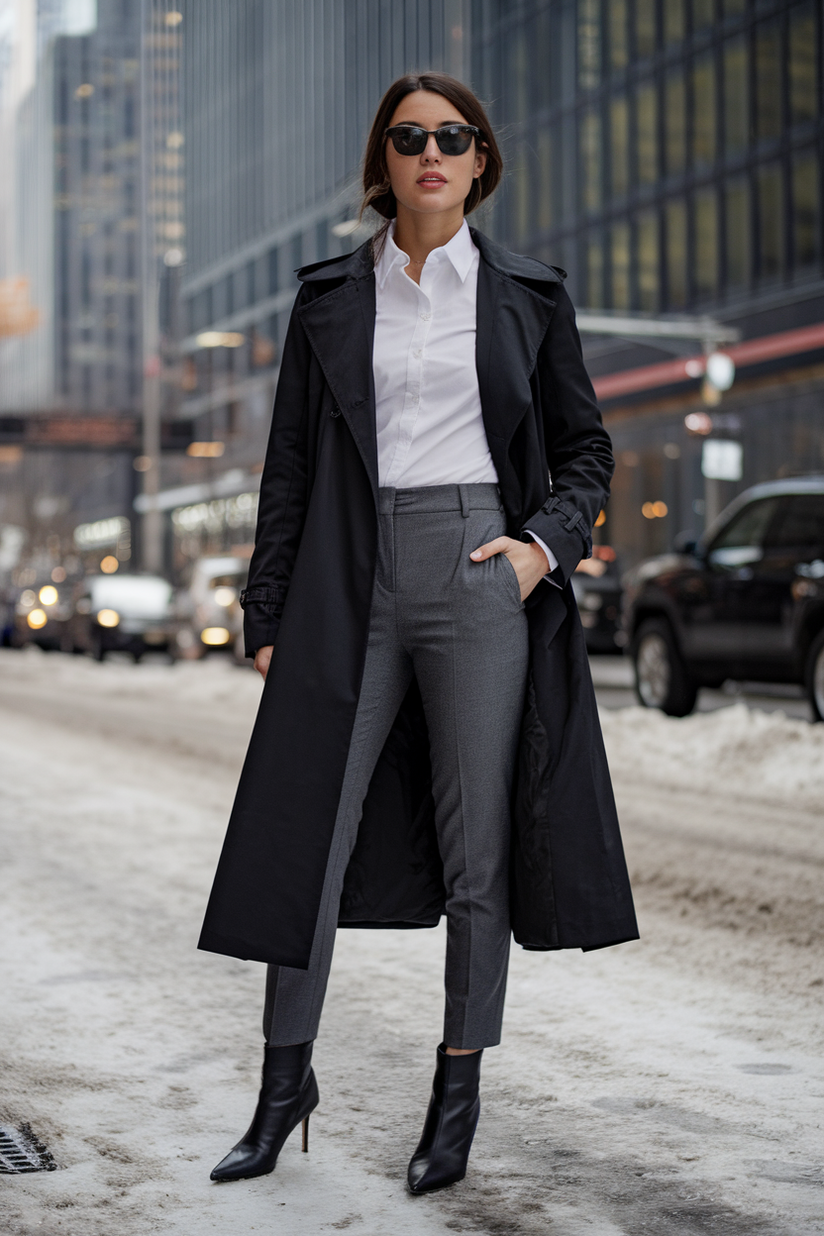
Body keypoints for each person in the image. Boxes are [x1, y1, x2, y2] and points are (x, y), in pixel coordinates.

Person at [199, 70, 637, 1195]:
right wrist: (265, 608)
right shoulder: (330, 300)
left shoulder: (529, 294)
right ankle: (281, 1087)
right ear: (382, 163)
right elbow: (289, 465)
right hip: (351, 577)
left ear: (479, 161)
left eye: (453, 136)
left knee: (475, 850)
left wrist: (540, 549)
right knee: (313, 835)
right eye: (409, 137)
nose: (431, 152)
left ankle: (455, 1096)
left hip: (478, 565)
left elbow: (586, 453)